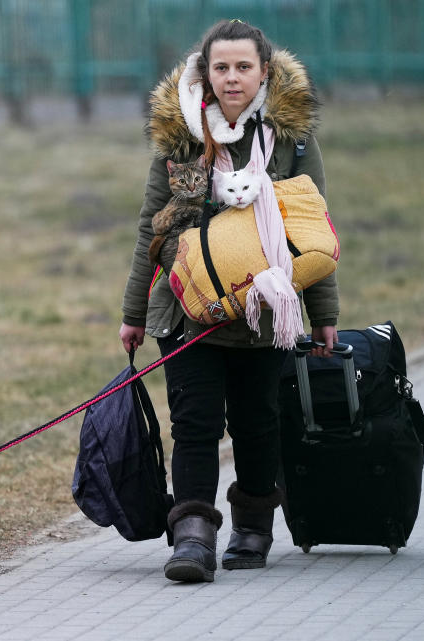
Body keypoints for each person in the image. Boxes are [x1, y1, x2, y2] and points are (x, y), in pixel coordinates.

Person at [119, 19, 340, 583]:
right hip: (187, 309)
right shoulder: (181, 136)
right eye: (221, 67)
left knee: (256, 421)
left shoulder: (291, 140)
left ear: (264, 71)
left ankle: (252, 527)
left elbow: (312, 228)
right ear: (206, 72)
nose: (232, 78)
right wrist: (134, 315)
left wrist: (324, 317)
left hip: (266, 310)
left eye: (244, 67)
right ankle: (192, 534)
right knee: (193, 422)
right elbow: (152, 227)